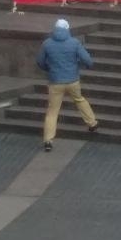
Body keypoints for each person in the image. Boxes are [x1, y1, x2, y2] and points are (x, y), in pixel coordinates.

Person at [36, 18, 99, 152]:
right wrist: (87, 65)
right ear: (67, 29)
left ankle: (48, 140)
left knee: (52, 111)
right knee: (79, 99)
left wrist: (49, 69)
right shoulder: (74, 42)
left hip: (55, 82)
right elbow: (87, 59)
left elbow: (40, 62)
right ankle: (92, 123)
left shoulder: (47, 43)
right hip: (72, 81)